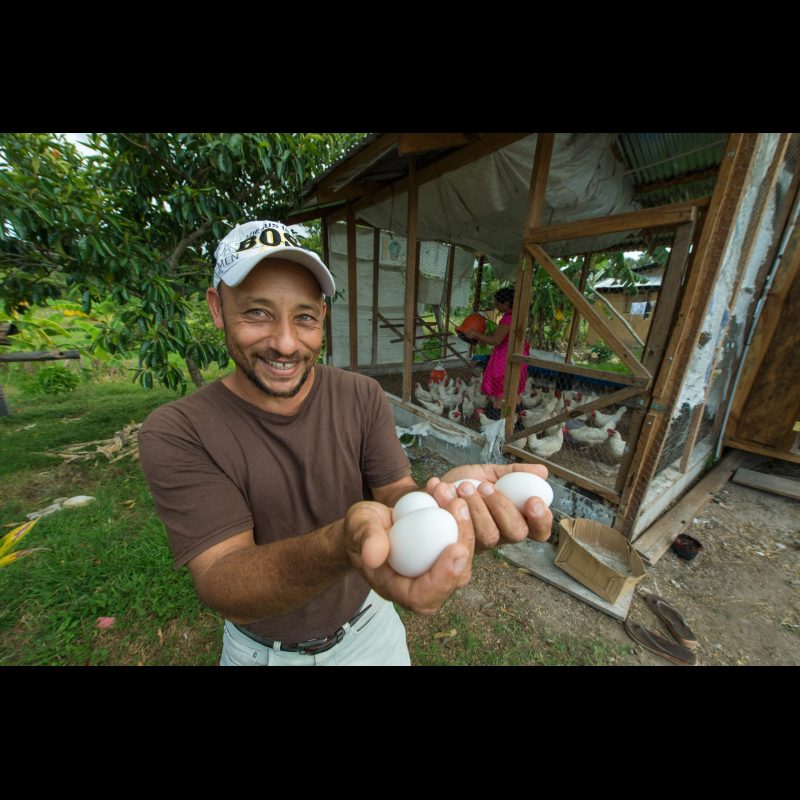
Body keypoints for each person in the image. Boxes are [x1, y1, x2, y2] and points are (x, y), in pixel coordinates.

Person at [138, 220, 553, 666]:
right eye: (257, 312)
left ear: (322, 317)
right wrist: (343, 544)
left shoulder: (361, 394)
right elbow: (222, 578)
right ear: (218, 309)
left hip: (371, 632)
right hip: (263, 654)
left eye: (304, 318)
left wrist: (440, 498)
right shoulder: (180, 430)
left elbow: (395, 492)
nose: (285, 343)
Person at [465, 287, 530, 417]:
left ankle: (497, 421)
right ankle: (515, 422)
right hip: (518, 354)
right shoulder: (520, 315)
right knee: (513, 389)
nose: (496, 306)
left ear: (506, 304)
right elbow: (502, 335)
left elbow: (496, 340)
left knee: (501, 389)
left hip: (506, 356)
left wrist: (475, 335)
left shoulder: (508, 318)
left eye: (497, 304)